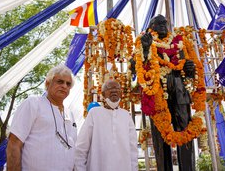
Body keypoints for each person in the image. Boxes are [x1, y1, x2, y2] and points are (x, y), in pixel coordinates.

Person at [131, 14, 196, 171]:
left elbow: (190, 69)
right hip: (157, 96)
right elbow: (134, 66)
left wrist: (190, 70)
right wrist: (146, 50)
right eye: (157, 23)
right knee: (160, 138)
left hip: (180, 93)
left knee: (185, 133)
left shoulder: (180, 42)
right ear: (151, 26)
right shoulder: (144, 41)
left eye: (164, 23)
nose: (161, 25)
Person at [6, 64, 77, 171]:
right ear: (47, 83)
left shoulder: (70, 114)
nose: (64, 86)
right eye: (60, 81)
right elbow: (14, 143)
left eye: (68, 84)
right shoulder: (33, 103)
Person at [74, 79, 138, 171]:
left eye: (117, 88)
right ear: (103, 94)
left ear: (121, 93)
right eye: (110, 88)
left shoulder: (126, 115)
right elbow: (81, 147)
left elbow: (133, 150)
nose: (114, 90)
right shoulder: (94, 113)